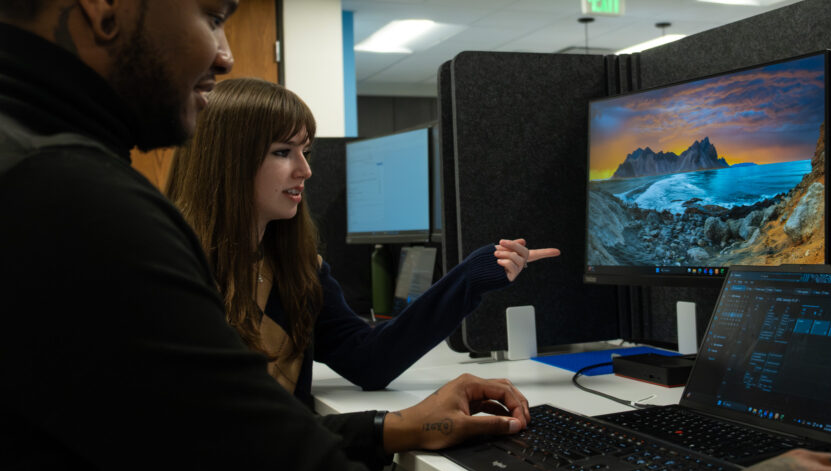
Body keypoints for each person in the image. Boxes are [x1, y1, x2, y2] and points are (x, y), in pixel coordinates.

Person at [0, 0, 831, 471]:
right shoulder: (69, 204)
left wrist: (397, 427)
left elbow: (215, 451)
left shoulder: (37, 174)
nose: (222, 55)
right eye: (211, 15)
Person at [165, 76, 560, 400]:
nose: (305, 170)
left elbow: (370, 361)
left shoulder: (299, 271)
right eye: (283, 152)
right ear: (227, 163)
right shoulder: (173, 274)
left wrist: (471, 277)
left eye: (305, 151)